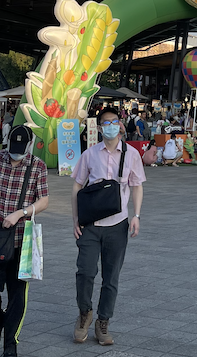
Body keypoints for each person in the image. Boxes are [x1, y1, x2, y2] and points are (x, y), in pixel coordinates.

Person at [71, 108, 145, 346]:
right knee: (85, 271)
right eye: (106, 123)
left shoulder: (132, 154)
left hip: (118, 225)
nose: (111, 126)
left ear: (120, 125)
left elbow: (136, 186)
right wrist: (75, 220)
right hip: (90, 225)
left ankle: (103, 322)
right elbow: (76, 187)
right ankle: (85, 313)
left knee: (111, 277)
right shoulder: (89, 154)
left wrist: (137, 215)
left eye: (114, 122)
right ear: (99, 127)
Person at [0, 126, 49, 357]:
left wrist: (21, 213)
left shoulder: (37, 166)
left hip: (22, 239)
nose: (15, 153)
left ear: (29, 145)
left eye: (20, 148)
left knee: (17, 294)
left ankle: (10, 344)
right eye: (12, 147)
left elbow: (44, 200)